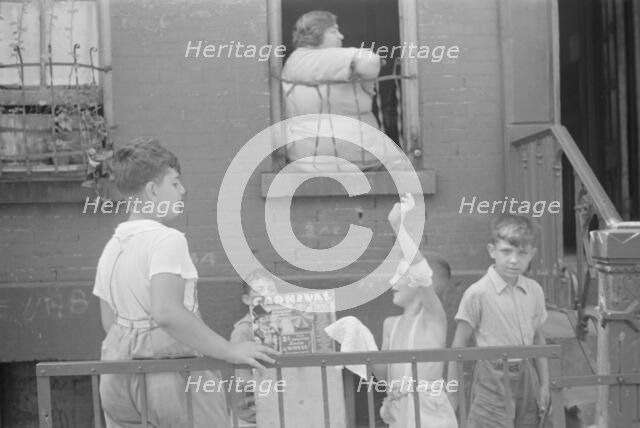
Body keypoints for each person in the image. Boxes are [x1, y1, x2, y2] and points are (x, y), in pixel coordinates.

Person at [93, 138, 277, 428]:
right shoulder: (167, 239)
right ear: (153, 191)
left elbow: (109, 322)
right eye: (175, 183)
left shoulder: (112, 247)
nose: (183, 190)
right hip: (172, 377)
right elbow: (166, 312)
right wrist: (229, 350)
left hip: (117, 377)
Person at [447, 214, 550, 428]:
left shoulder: (534, 291)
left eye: (522, 253)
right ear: (492, 251)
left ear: (532, 254)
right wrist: (453, 395)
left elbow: (539, 339)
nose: (514, 259)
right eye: (506, 251)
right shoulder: (477, 293)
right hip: (491, 377)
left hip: (526, 374)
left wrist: (544, 385)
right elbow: (458, 346)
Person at [372, 194, 458, 428]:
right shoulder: (390, 324)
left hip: (429, 414)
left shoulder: (433, 319)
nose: (392, 282)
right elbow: (383, 377)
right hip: (399, 412)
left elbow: (421, 272)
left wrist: (398, 227)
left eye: (400, 275)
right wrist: (362, 347)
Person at [281, 10, 405, 172]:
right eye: (334, 31)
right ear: (316, 33)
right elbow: (369, 65)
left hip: (303, 158)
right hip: (357, 158)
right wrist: (368, 60)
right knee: (403, 167)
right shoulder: (335, 57)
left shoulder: (292, 61)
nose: (341, 36)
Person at [229, 269, 279, 426]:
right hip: (251, 415)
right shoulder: (243, 331)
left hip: (280, 405)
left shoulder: (281, 324)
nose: (267, 295)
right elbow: (243, 380)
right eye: (260, 291)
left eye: (271, 290)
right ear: (247, 299)